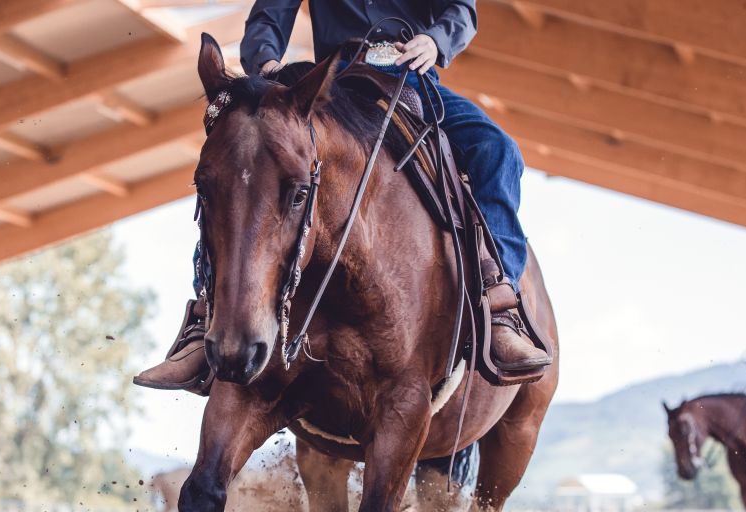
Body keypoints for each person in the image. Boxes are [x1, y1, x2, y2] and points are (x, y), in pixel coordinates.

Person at [134, 0, 551, 392]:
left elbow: (460, 8)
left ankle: (500, 307)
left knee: (497, 150)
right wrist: (267, 62)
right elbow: (269, 14)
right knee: (241, 168)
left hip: (410, 79)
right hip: (330, 84)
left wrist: (436, 41)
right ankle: (204, 318)